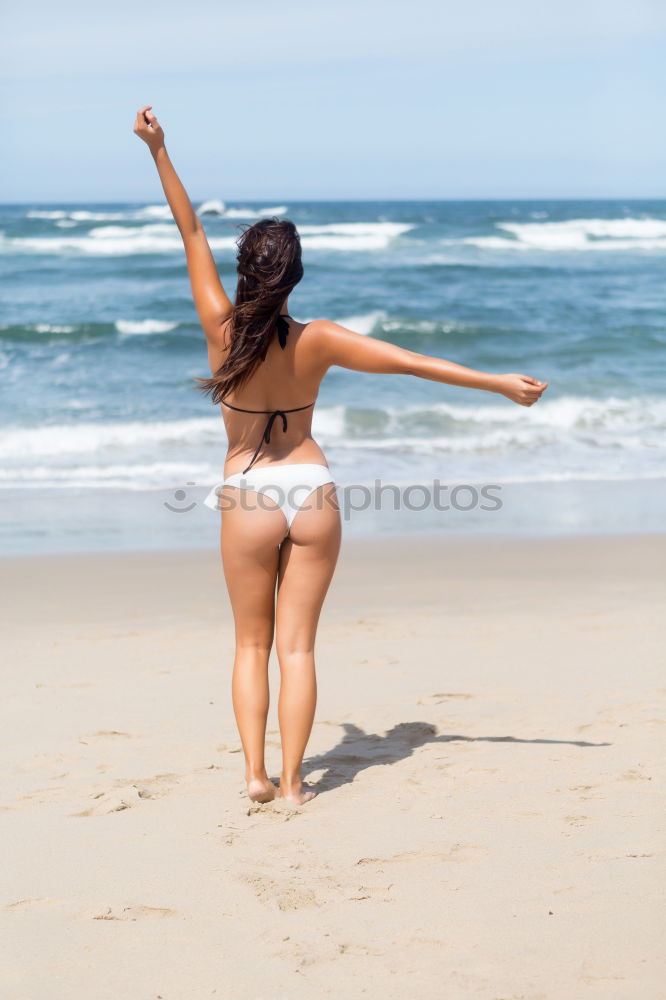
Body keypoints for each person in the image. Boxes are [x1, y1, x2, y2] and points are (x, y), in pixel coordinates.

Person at [133, 106, 549, 806]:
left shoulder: (221, 327)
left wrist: (158, 150)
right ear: (296, 276)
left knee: (250, 648)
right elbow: (411, 362)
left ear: (244, 271)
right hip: (313, 490)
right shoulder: (318, 338)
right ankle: (297, 786)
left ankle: (256, 777)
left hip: (249, 493)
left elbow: (190, 227)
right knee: (298, 649)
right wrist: (499, 382)